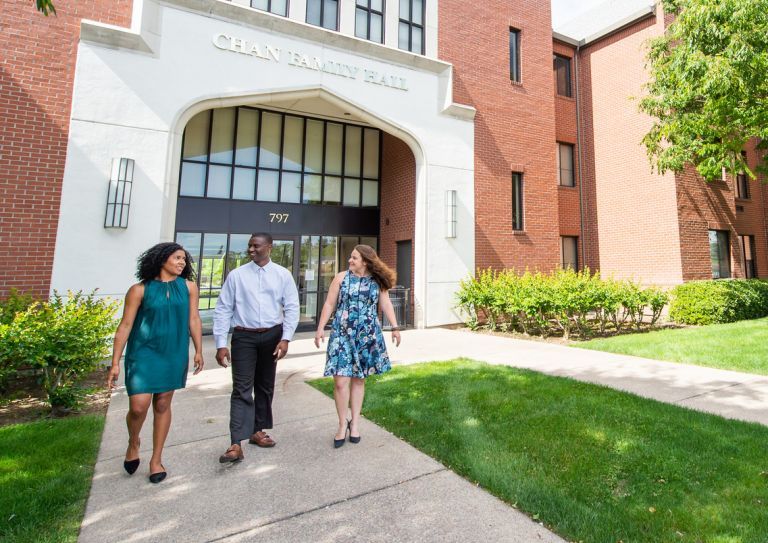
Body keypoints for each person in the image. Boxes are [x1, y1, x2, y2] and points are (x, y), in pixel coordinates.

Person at [107, 242, 204, 484]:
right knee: (138, 407)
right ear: (161, 260)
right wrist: (115, 362)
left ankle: (156, 459)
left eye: (184, 259)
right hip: (143, 354)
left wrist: (199, 350)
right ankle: (133, 441)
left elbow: (194, 319)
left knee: (162, 403)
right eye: (177, 258)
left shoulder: (189, 287)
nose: (182, 262)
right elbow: (125, 326)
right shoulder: (139, 290)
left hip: (173, 353)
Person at [214, 233, 300, 463]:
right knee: (241, 388)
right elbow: (223, 309)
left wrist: (286, 338)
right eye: (249, 246)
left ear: (269, 247)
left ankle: (257, 430)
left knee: (264, 386)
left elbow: (292, 307)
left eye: (256, 246)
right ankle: (235, 443)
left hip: (272, 336)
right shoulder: (237, 275)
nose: (251, 249)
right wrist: (221, 343)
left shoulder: (282, 275)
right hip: (244, 337)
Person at [314, 245, 401, 448]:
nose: (350, 261)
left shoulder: (377, 281)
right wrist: (320, 328)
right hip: (342, 334)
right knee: (340, 381)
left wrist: (395, 327)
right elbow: (329, 303)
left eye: (354, 258)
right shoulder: (341, 277)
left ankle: (355, 424)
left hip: (366, 335)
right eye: (351, 257)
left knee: (359, 380)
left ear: (365, 261)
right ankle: (341, 423)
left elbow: (386, 303)